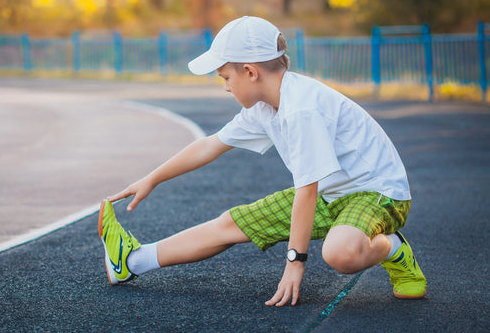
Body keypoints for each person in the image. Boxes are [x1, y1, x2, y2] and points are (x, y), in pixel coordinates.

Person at [98, 16, 426, 306]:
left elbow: (306, 191)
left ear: (250, 72)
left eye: (225, 77)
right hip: (332, 195)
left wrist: (295, 263)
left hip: (379, 193)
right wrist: (152, 178)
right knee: (230, 224)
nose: (225, 87)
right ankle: (133, 260)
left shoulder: (302, 109)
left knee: (339, 251)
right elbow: (209, 146)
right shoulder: (264, 108)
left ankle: (392, 247)